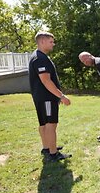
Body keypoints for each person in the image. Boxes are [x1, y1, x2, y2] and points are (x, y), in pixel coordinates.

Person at [29, 31, 72, 161]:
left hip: (41, 97)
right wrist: (62, 96)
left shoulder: (37, 56)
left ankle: (47, 147)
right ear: (42, 41)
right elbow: (46, 81)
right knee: (50, 124)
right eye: (51, 41)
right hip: (47, 97)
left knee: (44, 123)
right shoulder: (40, 58)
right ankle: (53, 154)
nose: (53, 44)